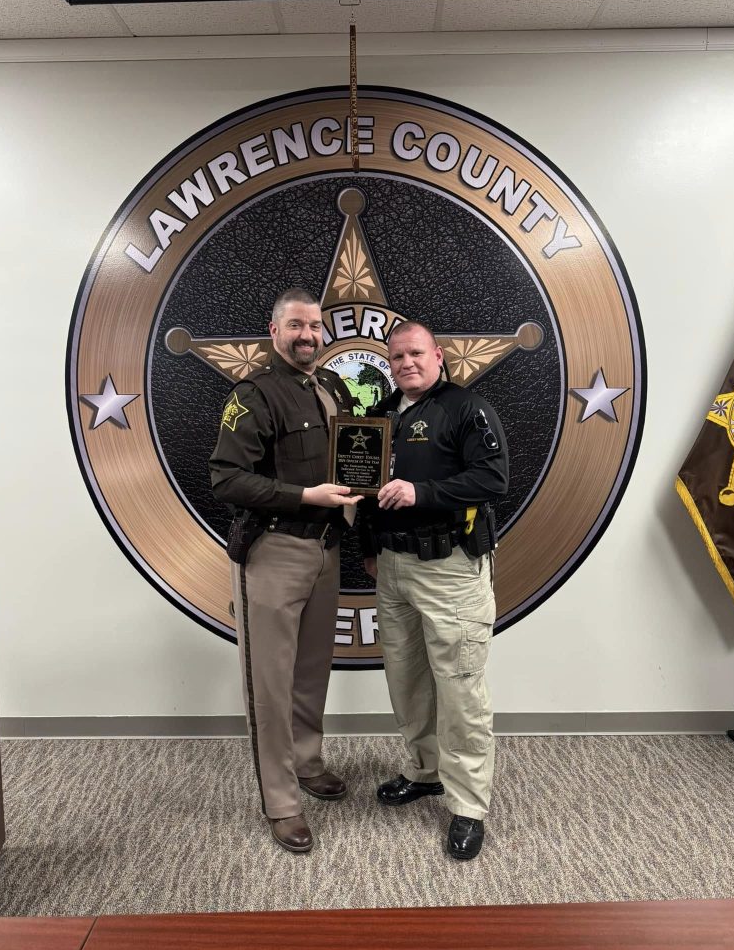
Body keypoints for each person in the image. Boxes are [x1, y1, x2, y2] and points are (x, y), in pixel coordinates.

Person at [209, 288, 361, 854]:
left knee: (311, 670)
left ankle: (307, 762)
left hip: (326, 549)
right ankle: (281, 801)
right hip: (275, 550)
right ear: (274, 331)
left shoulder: (333, 387)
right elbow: (226, 478)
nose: (307, 336)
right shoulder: (253, 395)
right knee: (270, 684)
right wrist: (304, 495)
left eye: (314, 326)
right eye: (296, 325)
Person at [361, 320, 509, 860]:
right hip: (393, 567)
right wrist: (369, 549)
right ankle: (425, 771)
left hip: (449, 569)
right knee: (406, 679)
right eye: (397, 357)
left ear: (438, 356)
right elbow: (364, 488)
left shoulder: (466, 409)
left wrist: (421, 492)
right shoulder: (380, 415)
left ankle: (468, 805)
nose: (407, 363)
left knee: (460, 687)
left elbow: (493, 479)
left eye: (416, 354)